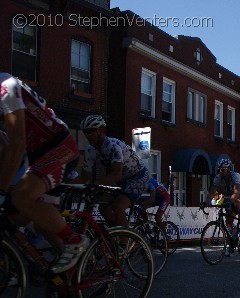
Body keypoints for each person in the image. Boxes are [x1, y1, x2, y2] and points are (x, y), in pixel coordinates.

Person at [0, 73, 88, 276]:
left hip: (59, 145)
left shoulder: (5, 87)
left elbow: (16, 144)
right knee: (30, 220)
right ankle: (66, 281)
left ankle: (74, 241)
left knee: (21, 195)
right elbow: (4, 150)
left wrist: (2, 190)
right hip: (37, 154)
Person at [74, 115, 150, 228]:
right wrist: (66, 185)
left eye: (90, 131)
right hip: (122, 178)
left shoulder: (113, 146)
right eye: (85, 132)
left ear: (100, 131)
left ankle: (124, 243)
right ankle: (114, 237)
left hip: (138, 176)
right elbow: (84, 176)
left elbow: (116, 174)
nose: (87, 135)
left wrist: (95, 184)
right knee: (103, 207)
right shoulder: (90, 150)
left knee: (118, 206)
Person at [209, 158, 240, 236]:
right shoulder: (218, 178)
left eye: (223, 170)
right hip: (231, 197)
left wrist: (229, 201)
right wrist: (205, 203)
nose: (221, 172)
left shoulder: (235, 176)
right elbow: (211, 193)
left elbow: (236, 192)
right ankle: (231, 240)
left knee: (237, 203)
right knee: (228, 222)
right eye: (219, 170)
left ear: (228, 169)